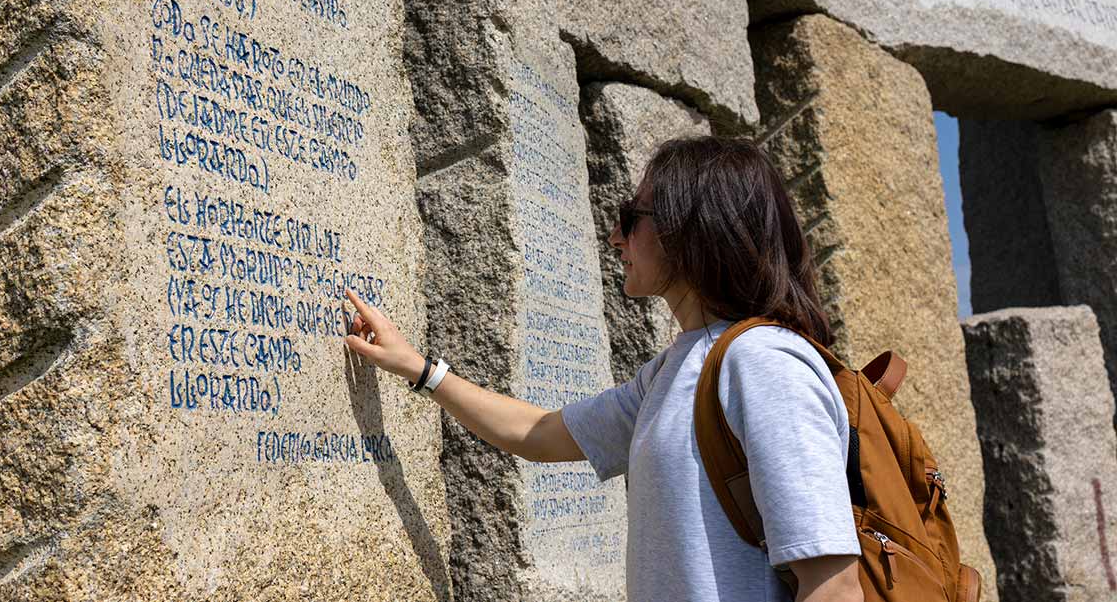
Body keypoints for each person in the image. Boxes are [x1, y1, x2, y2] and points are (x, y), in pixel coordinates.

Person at [342, 135, 864, 602]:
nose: (615, 237)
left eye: (631, 217)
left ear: (689, 231)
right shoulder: (676, 368)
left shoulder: (764, 365)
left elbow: (833, 585)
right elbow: (540, 433)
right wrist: (417, 367)